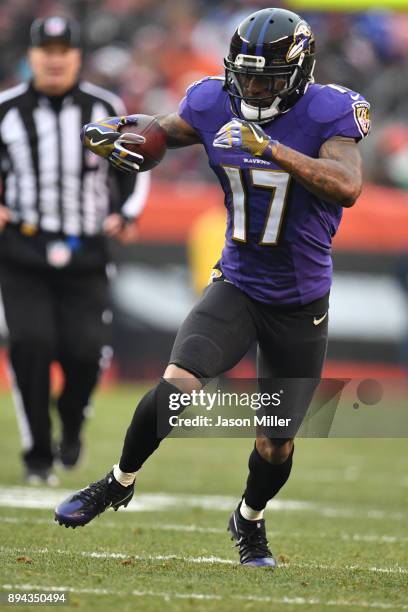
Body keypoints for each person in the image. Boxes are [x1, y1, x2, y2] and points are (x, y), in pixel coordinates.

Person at [55, 8, 370, 566]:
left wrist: (270, 148)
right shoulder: (211, 99)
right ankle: (118, 482)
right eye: (244, 75)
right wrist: (127, 129)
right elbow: (170, 131)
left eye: (265, 79)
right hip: (239, 282)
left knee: (276, 442)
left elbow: (347, 185)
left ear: (299, 77)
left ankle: (249, 520)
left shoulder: (329, 111)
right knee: (179, 383)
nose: (250, 88)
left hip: (300, 301)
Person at [0, 16, 150, 485]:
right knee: (30, 345)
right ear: (32, 56)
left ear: (77, 57)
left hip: (87, 251)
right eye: (47, 50)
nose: (55, 59)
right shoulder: (5, 109)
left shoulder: (106, 109)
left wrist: (125, 213)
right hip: (22, 250)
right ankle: (37, 454)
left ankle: (71, 423)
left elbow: (138, 165)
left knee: (86, 353)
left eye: (64, 50)